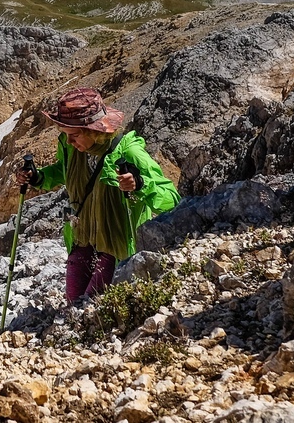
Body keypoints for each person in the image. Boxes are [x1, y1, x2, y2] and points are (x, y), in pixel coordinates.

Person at [15, 87, 180, 305]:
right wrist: (38, 177)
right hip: (82, 237)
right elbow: (65, 171)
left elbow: (172, 199)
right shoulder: (71, 147)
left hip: (115, 246)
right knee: (75, 301)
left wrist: (140, 184)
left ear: (93, 130)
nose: (69, 141)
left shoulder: (128, 152)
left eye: (74, 135)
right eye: (65, 134)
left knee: (89, 305)